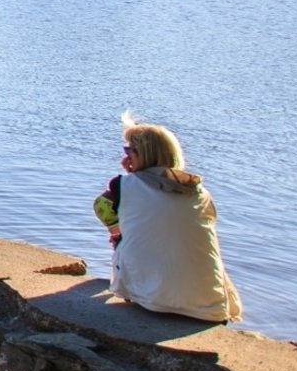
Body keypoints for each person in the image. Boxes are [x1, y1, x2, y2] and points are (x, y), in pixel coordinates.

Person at [92, 113, 243, 322]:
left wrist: (116, 232)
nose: (124, 157)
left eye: (128, 151)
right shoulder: (199, 192)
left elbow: (100, 206)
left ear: (142, 154)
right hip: (210, 304)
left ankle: (135, 283)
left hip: (151, 298)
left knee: (128, 240)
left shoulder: (124, 186)